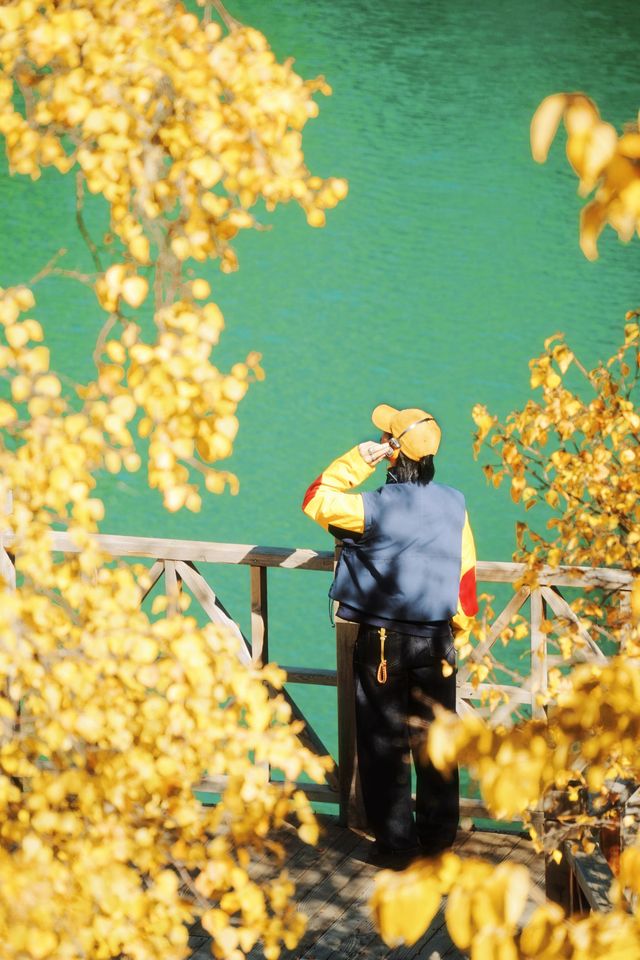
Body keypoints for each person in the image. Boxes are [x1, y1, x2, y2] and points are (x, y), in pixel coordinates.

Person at [302, 404, 478, 861]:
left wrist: (359, 459)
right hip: (437, 640)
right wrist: (457, 630)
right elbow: (466, 580)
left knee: (384, 745)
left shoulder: (372, 507)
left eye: (385, 436)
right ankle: (439, 839)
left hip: (382, 643)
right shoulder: (454, 503)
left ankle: (396, 846)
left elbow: (316, 497)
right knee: (435, 741)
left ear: (392, 450)